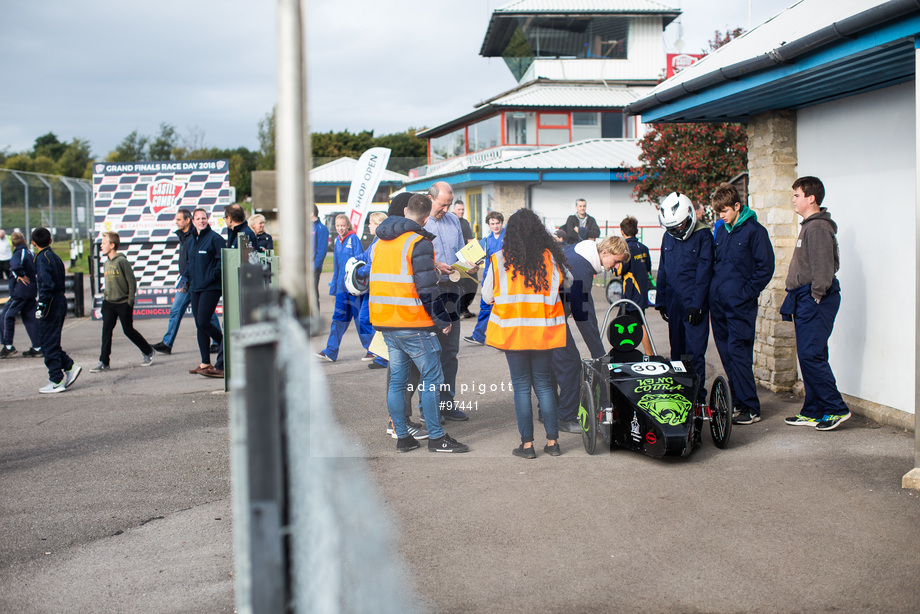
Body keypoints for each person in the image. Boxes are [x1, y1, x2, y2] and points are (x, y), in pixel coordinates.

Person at [370, 193, 469, 453]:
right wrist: (442, 319)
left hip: (386, 322)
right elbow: (426, 289)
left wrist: (435, 269)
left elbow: (400, 274)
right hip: (413, 323)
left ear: (405, 211)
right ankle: (436, 438)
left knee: (398, 382)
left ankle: (403, 437)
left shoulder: (381, 241)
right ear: (425, 218)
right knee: (433, 378)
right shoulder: (419, 241)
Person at [484, 208, 568, 458]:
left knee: (521, 388)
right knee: (544, 385)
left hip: (514, 334)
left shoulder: (499, 259)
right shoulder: (551, 258)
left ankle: (527, 446)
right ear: (538, 231)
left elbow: (488, 296)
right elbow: (568, 282)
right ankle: (553, 443)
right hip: (544, 333)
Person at [781, 176, 851, 431]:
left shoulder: (818, 227)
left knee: (811, 355)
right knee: (811, 355)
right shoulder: (809, 225)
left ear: (811, 198)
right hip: (806, 299)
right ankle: (813, 411)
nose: (794, 199)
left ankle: (835, 408)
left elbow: (824, 270)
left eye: (797, 195)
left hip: (816, 300)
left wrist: (816, 297)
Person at [710, 183, 775, 425]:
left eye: (725, 211)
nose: (721, 216)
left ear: (737, 206)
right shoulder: (722, 230)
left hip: (740, 306)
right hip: (718, 305)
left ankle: (751, 407)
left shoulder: (754, 231)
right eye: (718, 213)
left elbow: (765, 267)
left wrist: (746, 292)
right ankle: (737, 401)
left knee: (739, 355)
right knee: (726, 355)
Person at [552, 236, 630, 433]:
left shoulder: (579, 251)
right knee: (570, 363)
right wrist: (599, 354)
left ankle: (547, 411)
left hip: (545, 316)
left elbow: (584, 306)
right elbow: (583, 314)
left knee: (552, 364)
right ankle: (566, 417)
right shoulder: (581, 267)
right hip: (551, 319)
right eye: (617, 261)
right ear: (605, 253)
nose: (616, 267)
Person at [425, 180, 477, 421]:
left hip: (453, 290)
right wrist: (436, 266)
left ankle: (446, 404)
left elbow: (459, 254)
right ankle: (428, 409)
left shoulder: (454, 220)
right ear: (430, 198)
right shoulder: (420, 223)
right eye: (442, 205)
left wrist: (469, 265)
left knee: (450, 351)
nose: (446, 209)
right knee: (430, 353)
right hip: (430, 292)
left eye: (448, 205)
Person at [655, 192, 713, 403]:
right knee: (677, 352)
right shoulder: (667, 237)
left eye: (680, 226)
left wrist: (698, 304)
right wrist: (661, 300)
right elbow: (663, 269)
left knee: (695, 354)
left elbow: (705, 271)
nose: (678, 230)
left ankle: (697, 398)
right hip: (673, 303)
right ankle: (679, 394)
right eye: (673, 228)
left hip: (694, 304)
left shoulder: (704, 235)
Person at [152, 209, 221, 355]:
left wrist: (208, 277)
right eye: (199, 218)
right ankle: (168, 343)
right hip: (189, 280)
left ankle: (219, 342)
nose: (176, 222)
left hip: (201, 283)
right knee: (199, 314)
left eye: (179, 220)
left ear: (188, 220)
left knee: (201, 316)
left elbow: (217, 261)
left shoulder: (199, 236)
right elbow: (189, 262)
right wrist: (184, 280)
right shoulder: (186, 237)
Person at [89, 232, 155, 373]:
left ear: (112, 245)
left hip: (123, 303)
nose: (101, 245)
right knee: (106, 332)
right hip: (109, 303)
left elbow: (131, 281)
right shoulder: (106, 262)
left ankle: (148, 351)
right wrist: (105, 300)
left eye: (104, 243)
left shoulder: (121, 261)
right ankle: (104, 362)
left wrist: (130, 301)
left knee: (128, 330)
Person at [315, 214, 372, 362]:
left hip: (354, 289)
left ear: (348, 226)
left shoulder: (354, 239)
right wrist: (334, 288)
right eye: (338, 226)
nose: (340, 228)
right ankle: (331, 351)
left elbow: (360, 263)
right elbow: (337, 266)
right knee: (338, 319)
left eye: (343, 225)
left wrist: (361, 285)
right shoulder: (337, 241)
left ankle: (372, 350)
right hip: (342, 289)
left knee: (361, 320)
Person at [32, 227, 81, 393]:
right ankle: (68, 366)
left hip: (51, 301)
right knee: (50, 340)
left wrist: (42, 305)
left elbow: (46, 284)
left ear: (33, 243)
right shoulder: (54, 256)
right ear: (51, 240)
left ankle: (56, 380)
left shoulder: (42, 258)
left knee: (47, 342)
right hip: (59, 299)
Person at [187, 208, 227, 378]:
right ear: (193, 221)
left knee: (204, 321)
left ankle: (225, 342)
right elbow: (189, 262)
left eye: (204, 218)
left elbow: (221, 262)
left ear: (207, 219)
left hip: (211, 287)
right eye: (198, 219)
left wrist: (212, 276)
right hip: (195, 288)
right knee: (199, 325)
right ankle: (205, 363)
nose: (201, 221)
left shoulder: (215, 239)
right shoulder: (192, 240)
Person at [464, 211, 505, 346]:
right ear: (488, 225)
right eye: (492, 223)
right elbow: (469, 257)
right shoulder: (486, 241)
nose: (495, 226)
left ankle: (503, 338)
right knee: (485, 307)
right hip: (490, 280)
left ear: (501, 223)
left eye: (497, 223)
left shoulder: (509, 237)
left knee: (503, 309)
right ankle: (478, 336)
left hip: (505, 280)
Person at [355, 211, 388, 370]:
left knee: (369, 321)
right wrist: (355, 259)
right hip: (373, 289)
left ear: (379, 225)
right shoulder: (376, 242)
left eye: (371, 223)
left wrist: (360, 271)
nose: (369, 225)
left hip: (379, 290)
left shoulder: (381, 242)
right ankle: (379, 353)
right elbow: (366, 256)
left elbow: (374, 265)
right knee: (365, 320)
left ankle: (383, 356)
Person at [1, 232, 42, 358]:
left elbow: (15, 266)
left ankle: (8, 346)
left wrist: (20, 274)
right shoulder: (30, 252)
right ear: (24, 241)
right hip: (31, 290)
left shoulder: (18, 253)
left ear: (12, 244)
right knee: (30, 318)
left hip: (20, 292)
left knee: (6, 315)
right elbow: (37, 266)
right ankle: (37, 347)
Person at [619, 216, 653, 355]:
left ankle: (649, 354)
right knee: (622, 322)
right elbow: (648, 267)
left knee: (639, 324)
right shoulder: (643, 248)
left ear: (622, 232)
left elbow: (621, 269)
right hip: (641, 293)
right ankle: (623, 352)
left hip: (631, 294)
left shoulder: (626, 248)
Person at [453, 199, 477, 319]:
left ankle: (464, 308)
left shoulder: (465, 223)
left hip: (466, 257)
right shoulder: (451, 222)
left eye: (463, 209)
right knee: (460, 284)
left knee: (472, 283)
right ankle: (459, 310)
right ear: (454, 209)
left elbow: (470, 240)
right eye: (459, 209)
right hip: (456, 259)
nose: (461, 211)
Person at [312, 205, 329, 313]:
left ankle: (314, 323)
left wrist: (313, 268)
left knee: (312, 296)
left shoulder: (321, 229)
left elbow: (321, 252)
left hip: (313, 269)